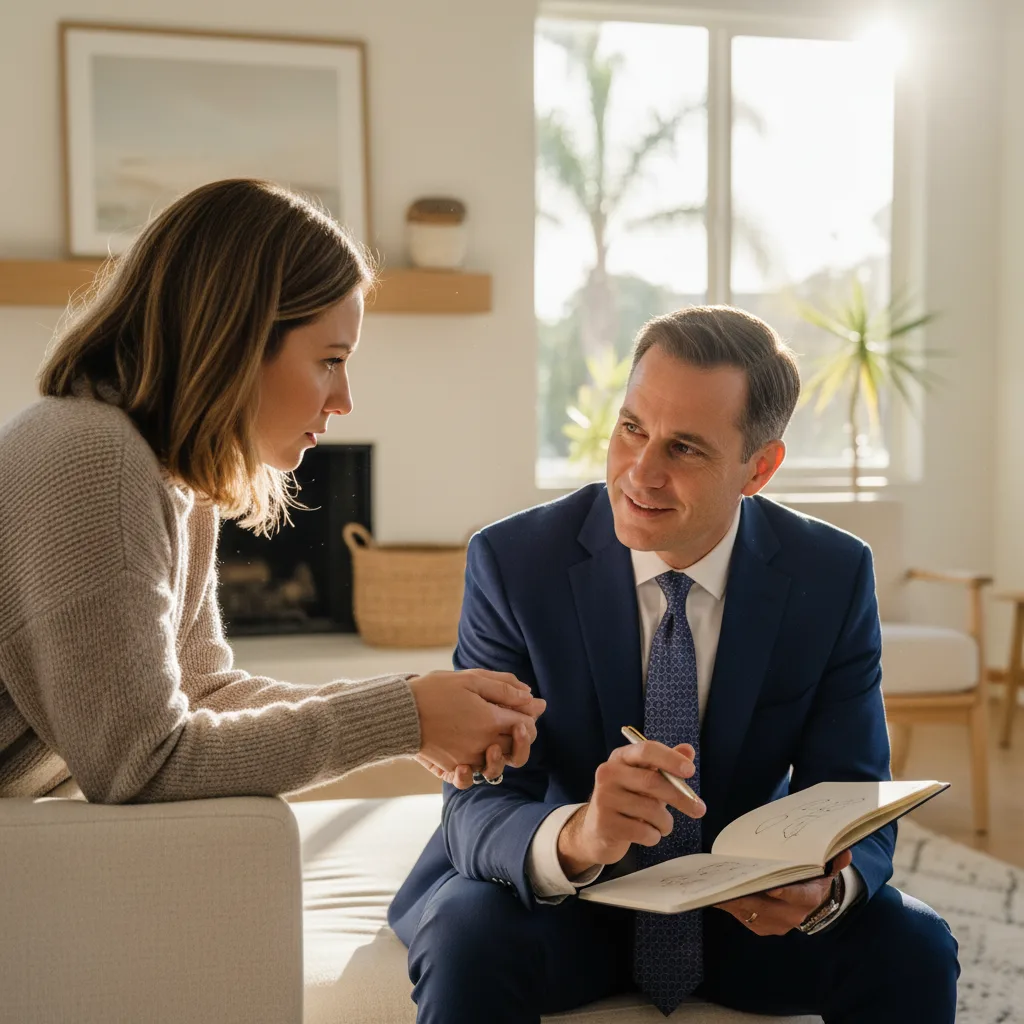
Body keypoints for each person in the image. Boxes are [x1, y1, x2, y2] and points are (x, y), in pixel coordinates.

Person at [389, 306, 959, 1023]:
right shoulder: (514, 562)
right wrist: (580, 834)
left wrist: (825, 887)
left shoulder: (832, 574)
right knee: (465, 930)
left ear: (760, 467)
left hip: (742, 917)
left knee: (916, 944)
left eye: (685, 448)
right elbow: (476, 806)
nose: (641, 473)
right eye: (632, 428)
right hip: (564, 906)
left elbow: (852, 790)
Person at [0, 178, 543, 803]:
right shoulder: (92, 457)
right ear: (240, 341)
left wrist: (413, 707)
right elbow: (144, 767)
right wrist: (406, 714)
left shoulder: (168, 471)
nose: (344, 401)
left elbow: (205, 693)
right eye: (330, 361)